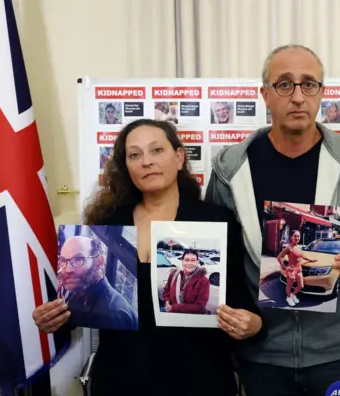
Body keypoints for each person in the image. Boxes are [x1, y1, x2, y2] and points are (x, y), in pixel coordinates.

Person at [31, 119, 266, 396]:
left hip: (198, 379)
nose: (146, 162)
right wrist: (55, 317)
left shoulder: (215, 221)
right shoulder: (108, 226)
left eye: (157, 150)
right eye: (135, 154)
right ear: (126, 167)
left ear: (179, 158)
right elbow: (85, 301)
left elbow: (238, 301)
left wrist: (254, 325)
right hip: (120, 379)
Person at [205, 44, 340, 395]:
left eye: (309, 84)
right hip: (262, 351)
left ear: (322, 93)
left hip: (339, 351)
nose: (298, 96)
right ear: (265, 95)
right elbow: (220, 256)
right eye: (284, 84)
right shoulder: (230, 168)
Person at [57, 236, 138, 330]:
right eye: (63, 260)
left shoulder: (112, 315)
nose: (67, 270)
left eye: (78, 259)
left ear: (99, 262)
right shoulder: (80, 291)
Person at [276, 230, 317, 307]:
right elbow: (279, 257)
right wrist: (284, 267)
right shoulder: (288, 248)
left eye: (298, 236)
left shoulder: (298, 247)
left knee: (301, 286)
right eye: (295, 236)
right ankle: (288, 298)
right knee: (289, 286)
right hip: (291, 271)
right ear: (291, 237)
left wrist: (310, 260)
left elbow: (302, 256)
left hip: (299, 270)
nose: (297, 238)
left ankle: (292, 295)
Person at [162, 249, 210, 314]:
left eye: (193, 260)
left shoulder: (203, 281)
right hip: (172, 314)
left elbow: (199, 307)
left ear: (197, 262)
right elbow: (166, 291)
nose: (189, 263)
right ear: (182, 261)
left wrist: (174, 308)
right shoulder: (174, 275)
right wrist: (167, 301)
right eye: (186, 260)